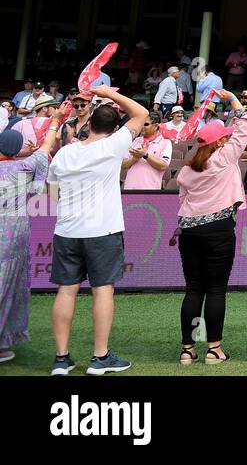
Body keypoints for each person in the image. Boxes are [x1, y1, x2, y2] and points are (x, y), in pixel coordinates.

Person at [47, 85, 149, 375]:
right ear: (115, 127)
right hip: (102, 232)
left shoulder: (65, 154)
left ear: (88, 123)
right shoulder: (114, 145)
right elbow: (140, 113)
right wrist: (109, 93)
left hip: (67, 231)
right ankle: (100, 358)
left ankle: (61, 358)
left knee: (66, 292)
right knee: (102, 291)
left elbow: (52, 195)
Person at [174, 90, 247, 365]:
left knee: (194, 289)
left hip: (189, 232)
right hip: (218, 230)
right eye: (225, 136)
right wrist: (233, 99)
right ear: (219, 140)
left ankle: (187, 349)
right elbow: (244, 126)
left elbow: (182, 202)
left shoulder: (186, 170)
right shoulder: (225, 157)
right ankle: (214, 349)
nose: (229, 138)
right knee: (216, 290)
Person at [0, 118, 57, 364]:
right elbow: (46, 148)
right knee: (8, 286)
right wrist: (55, 121)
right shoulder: (25, 167)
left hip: (13, 232)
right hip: (14, 232)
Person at [121, 111, 172, 190]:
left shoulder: (165, 143)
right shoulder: (136, 140)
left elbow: (163, 165)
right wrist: (134, 159)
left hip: (150, 190)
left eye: (146, 124)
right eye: (141, 124)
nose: (142, 127)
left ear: (155, 126)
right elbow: (123, 164)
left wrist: (145, 155)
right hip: (129, 189)